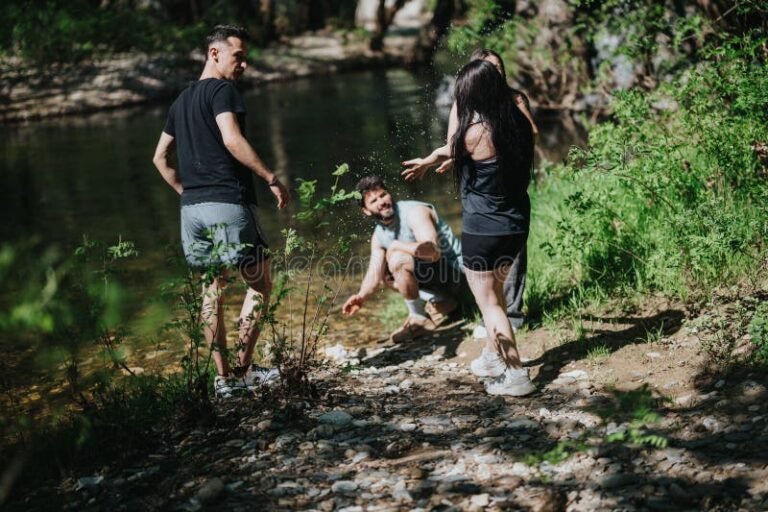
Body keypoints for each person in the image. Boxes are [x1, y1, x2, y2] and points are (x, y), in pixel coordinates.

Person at [152, 25, 291, 398]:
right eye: (238, 56)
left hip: (191, 211)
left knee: (211, 290)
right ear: (214, 53)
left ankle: (223, 380)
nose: (244, 64)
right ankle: (244, 372)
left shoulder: (179, 102)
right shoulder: (222, 90)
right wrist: (271, 177)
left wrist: (188, 192)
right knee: (260, 284)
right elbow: (231, 138)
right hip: (227, 204)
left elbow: (160, 158)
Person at [402, 60, 536, 396]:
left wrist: (428, 159)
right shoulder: (517, 120)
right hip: (516, 223)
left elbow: (452, 144)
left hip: (484, 229)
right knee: (497, 298)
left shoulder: (476, 131)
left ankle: (516, 375)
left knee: (489, 304)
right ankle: (492, 356)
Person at [341, 176, 463, 342]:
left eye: (383, 195)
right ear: (366, 210)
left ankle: (419, 318)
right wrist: (361, 297)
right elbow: (374, 273)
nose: (381, 202)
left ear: (390, 194)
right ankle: (443, 303)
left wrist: (397, 245)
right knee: (386, 275)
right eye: (374, 201)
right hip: (436, 278)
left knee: (397, 259)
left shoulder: (415, 212)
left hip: (458, 273)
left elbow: (433, 252)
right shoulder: (379, 235)